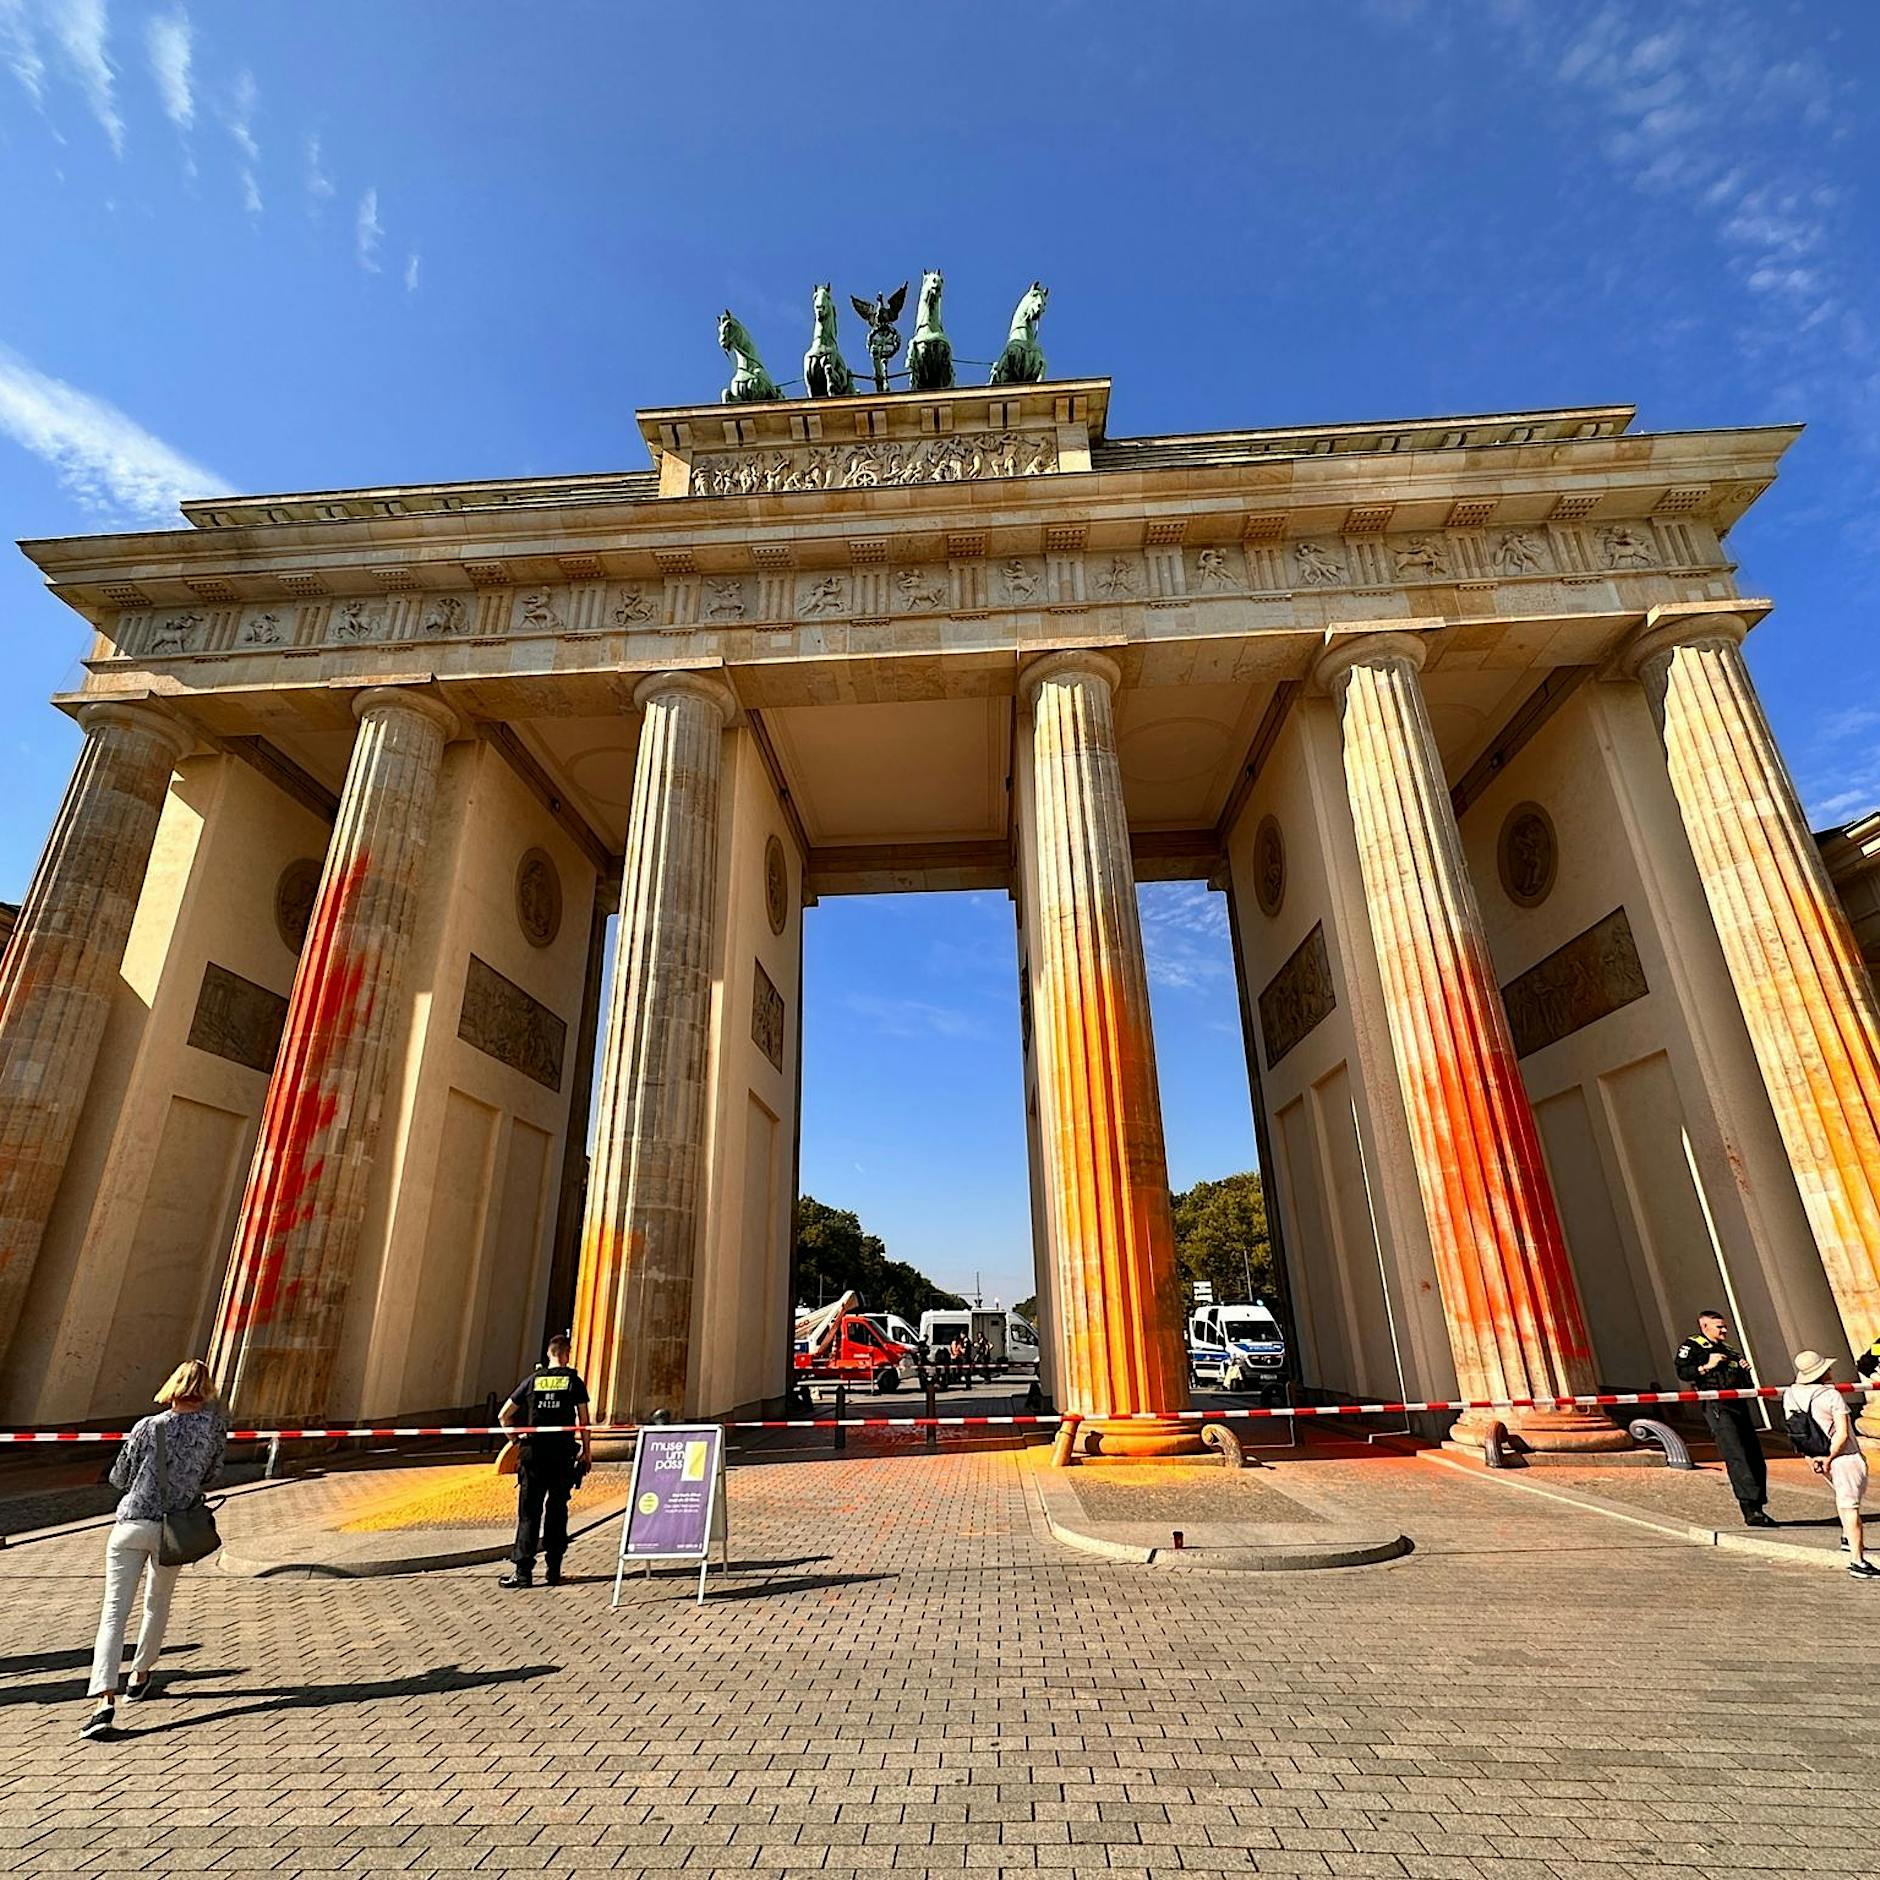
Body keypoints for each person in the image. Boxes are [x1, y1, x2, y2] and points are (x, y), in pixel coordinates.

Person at [82, 1359, 227, 1740]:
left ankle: (104, 1701)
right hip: (174, 1529)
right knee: (157, 1602)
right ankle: (140, 1675)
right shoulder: (214, 1428)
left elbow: (121, 1476)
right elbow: (212, 1474)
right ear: (206, 1389)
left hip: (132, 1524)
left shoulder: (148, 1426)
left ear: (172, 1386)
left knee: (114, 1612)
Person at [499, 1333, 591, 1589]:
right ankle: (554, 1569)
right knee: (557, 1510)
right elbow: (584, 1420)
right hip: (561, 1454)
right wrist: (587, 1450)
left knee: (529, 1513)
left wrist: (515, 1440)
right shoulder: (574, 1382)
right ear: (566, 1354)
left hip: (533, 1455)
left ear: (549, 1354)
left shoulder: (532, 1381)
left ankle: (523, 1572)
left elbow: (504, 1415)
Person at [1782, 1350, 1875, 1580]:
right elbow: (1842, 1434)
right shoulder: (1831, 1395)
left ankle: (1848, 1538)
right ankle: (1857, 1560)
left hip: (1816, 1454)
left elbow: (1796, 1431)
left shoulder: (1790, 1394)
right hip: (1844, 1456)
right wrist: (1830, 1457)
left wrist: (1813, 1457)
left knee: (1845, 1498)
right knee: (1850, 1506)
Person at [1675, 1311, 1773, 1527]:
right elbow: (1683, 1372)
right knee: (1736, 1453)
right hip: (1716, 1405)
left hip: (1738, 1404)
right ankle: (1750, 1508)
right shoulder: (1693, 1347)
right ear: (1704, 1327)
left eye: (1724, 1326)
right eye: (1719, 1327)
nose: (1724, 1330)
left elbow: (1744, 1381)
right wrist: (1706, 1366)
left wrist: (1744, 1370)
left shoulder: (1729, 1350)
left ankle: (1758, 1502)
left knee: (1753, 1454)